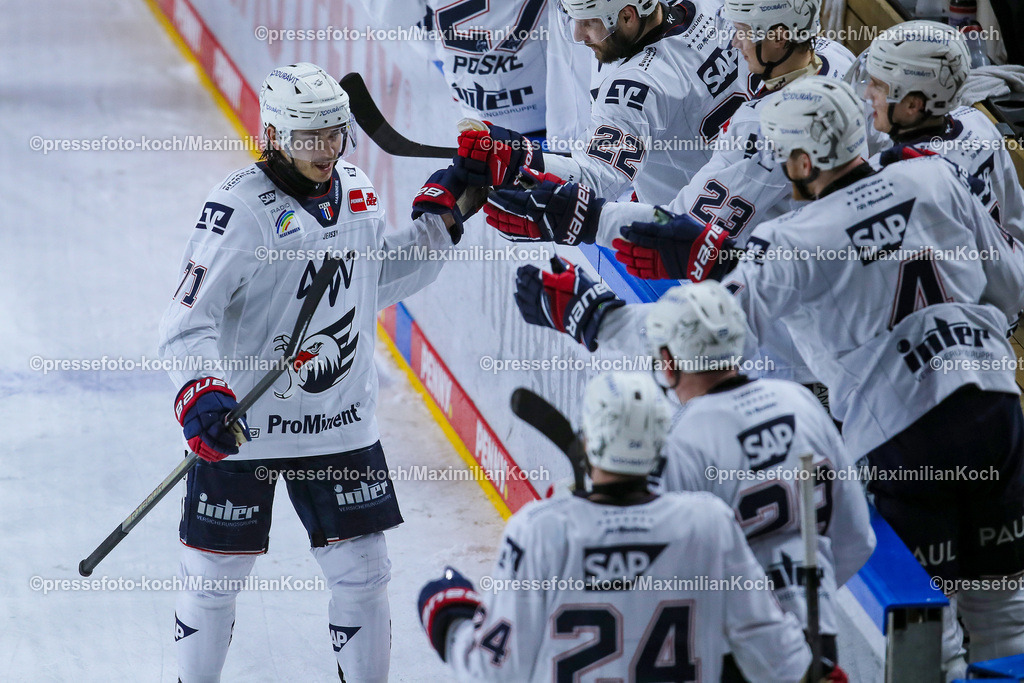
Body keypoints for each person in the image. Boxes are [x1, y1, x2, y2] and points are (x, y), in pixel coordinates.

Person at [517, 77, 1024, 674]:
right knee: (1003, 605)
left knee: (923, 629)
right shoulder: (932, 176)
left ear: (807, 159)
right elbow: (1011, 286)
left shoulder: (793, 240)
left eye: (783, 156)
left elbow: (702, 337)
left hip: (904, 435)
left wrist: (592, 315)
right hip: (997, 407)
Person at [158, 62, 477, 683]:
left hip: (341, 425)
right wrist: (200, 394)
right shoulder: (238, 210)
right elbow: (184, 322)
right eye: (309, 137)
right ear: (274, 136)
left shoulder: (356, 189)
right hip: (246, 428)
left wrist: (443, 224)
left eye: (334, 134)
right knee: (215, 573)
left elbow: (373, 278)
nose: (326, 150)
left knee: (363, 575)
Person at [417, 371, 815, 681]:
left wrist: (449, 617)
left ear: (589, 439)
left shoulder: (540, 530)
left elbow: (492, 672)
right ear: (662, 441)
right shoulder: (709, 522)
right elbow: (779, 661)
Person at [452, 0, 756, 209]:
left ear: (627, 16)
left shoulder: (635, 88)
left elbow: (595, 181)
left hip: (709, 230)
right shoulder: (709, 7)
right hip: (768, 189)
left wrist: (520, 158)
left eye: (589, 21)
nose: (578, 34)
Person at [850, 19, 1024, 245]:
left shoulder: (884, 179)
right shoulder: (979, 123)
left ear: (913, 105)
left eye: (879, 87)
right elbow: (1015, 219)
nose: (868, 95)